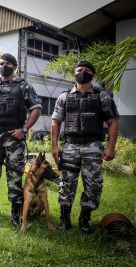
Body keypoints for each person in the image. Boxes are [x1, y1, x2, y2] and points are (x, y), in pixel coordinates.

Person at [51, 61, 119, 234]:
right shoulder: (64, 97)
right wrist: (55, 146)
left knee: (93, 185)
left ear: (93, 74)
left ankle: (84, 219)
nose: (83, 72)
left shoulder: (102, 96)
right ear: (74, 73)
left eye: (87, 70)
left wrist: (111, 148)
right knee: (66, 184)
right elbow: (56, 122)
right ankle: (64, 219)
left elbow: (112, 122)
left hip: (93, 146)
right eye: (79, 70)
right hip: (70, 147)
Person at [0, 53, 42, 226]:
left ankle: (15, 214)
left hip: (13, 138)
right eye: (0, 63)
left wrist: (24, 129)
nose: (2, 66)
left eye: (6, 63)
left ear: (14, 66)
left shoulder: (23, 86)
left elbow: (36, 108)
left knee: (14, 176)